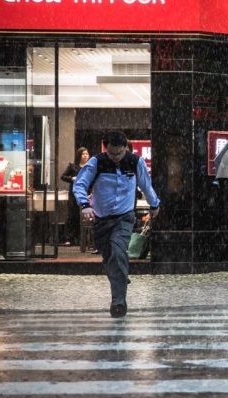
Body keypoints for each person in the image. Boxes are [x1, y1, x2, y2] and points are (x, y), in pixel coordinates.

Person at [73, 131, 160, 318]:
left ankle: (118, 302)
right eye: (111, 153)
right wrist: (84, 204)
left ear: (126, 148)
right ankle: (121, 273)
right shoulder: (97, 162)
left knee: (118, 250)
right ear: (106, 149)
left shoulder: (135, 162)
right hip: (101, 219)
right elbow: (80, 184)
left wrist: (155, 204)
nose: (115, 158)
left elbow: (146, 185)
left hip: (124, 217)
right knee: (110, 257)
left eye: (118, 153)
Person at [61, 147, 90, 246]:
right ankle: (69, 238)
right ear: (79, 155)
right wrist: (72, 178)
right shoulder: (73, 166)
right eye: (83, 154)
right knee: (72, 215)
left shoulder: (90, 167)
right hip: (74, 193)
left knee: (84, 216)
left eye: (87, 154)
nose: (86, 156)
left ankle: (82, 239)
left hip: (87, 193)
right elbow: (63, 177)